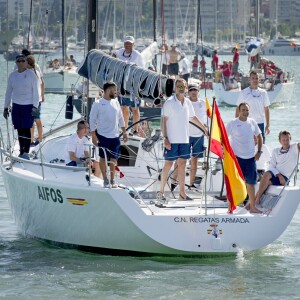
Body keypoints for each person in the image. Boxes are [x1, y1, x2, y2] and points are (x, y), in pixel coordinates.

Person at [156, 78, 208, 205]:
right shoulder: (169, 103)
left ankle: (182, 194)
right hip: (172, 140)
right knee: (168, 165)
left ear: (185, 88)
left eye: (183, 86)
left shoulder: (188, 102)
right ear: (175, 88)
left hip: (184, 139)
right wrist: (165, 138)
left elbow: (193, 117)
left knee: (183, 164)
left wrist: (204, 128)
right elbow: (163, 121)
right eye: (178, 86)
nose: (180, 88)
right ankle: (161, 192)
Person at [90, 82, 128, 188]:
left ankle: (112, 179)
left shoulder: (116, 102)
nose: (116, 92)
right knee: (103, 157)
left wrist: (124, 132)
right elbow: (92, 119)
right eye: (114, 90)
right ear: (107, 90)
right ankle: (105, 179)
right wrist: (94, 135)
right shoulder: (98, 103)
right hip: (102, 135)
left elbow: (120, 117)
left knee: (114, 159)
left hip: (115, 136)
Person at [226, 102, 263, 213]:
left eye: (247, 110)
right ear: (239, 110)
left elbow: (259, 137)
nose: (245, 112)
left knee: (251, 183)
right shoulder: (232, 123)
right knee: (234, 183)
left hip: (251, 158)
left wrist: (259, 152)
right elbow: (224, 138)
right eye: (243, 110)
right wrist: (226, 153)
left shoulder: (252, 122)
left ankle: (252, 207)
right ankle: (230, 207)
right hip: (237, 158)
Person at [3, 54, 40, 160]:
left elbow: (36, 92)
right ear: (16, 63)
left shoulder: (32, 74)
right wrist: (5, 107)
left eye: (23, 61)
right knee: (19, 129)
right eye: (18, 61)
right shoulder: (12, 76)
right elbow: (8, 92)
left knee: (26, 128)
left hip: (28, 106)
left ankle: (26, 152)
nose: (21, 63)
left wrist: (35, 107)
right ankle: (21, 151)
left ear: (26, 62)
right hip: (16, 106)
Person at [255, 130, 300, 205]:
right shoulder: (276, 151)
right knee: (266, 176)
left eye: (287, 139)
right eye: (283, 140)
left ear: (290, 140)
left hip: (285, 178)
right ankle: (256, 200)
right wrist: (278, 175)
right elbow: (271, 166)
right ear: (280, 141)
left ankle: (255, 200)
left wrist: (281, 177)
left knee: (265, 179)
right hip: (276, 175)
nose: (286, 142)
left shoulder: (294, 148)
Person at [116, 36, 144, 135]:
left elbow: (142, 71)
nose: (127, 45)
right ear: (124, 44)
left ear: (133, 44)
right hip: (122, 85)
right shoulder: (119, 52)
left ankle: (136, 129)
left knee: (135, 108)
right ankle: (126, 129)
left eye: (130, 43)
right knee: (124, 107)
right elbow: (113, 58)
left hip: (134, 86)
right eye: (126, 43)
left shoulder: (138, 55)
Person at [236, 70, 270, 143]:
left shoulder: (263, 93)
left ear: (259, 79)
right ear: (249, 80)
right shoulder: (244, 92)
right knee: (247, 144)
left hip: (260, 123)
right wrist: (236, 123)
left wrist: (268, 125)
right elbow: (238, 109)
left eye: (256, 78)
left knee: (261, 146)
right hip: (247, 123)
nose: (255, 80)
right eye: (253, 78)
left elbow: (266, 109)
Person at [187, 84, 207, 188]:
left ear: (198, 91)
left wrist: (207, 128)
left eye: (195, 90)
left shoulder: (203, 103)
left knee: (195, 159)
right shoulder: (185, 102)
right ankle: (175, 182)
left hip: (199, 135)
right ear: (188, 92)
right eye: (191, 90)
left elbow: (208, 117)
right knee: (181, 159)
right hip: (186, 134)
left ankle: (191, 183)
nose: (193, 92)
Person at [26, 55, 44, 146]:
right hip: (38, 100)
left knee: (31, 121)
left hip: (31, 100)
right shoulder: (36, 72)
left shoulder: (29, 73)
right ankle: (40, 138)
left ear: (27, 63)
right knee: (37, 119)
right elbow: (41, 84)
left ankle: (31, 139)